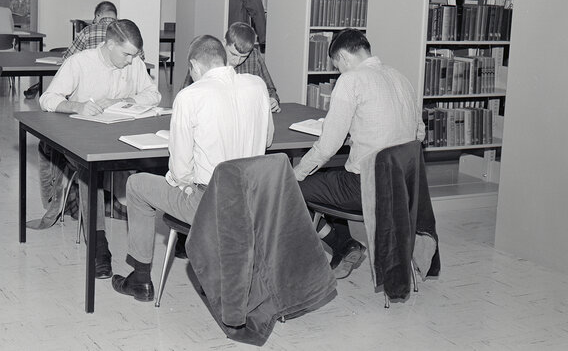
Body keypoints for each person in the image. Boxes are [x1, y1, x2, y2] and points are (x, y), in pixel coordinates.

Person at [111, 35, 274, 302]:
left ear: (194, 66)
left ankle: (140, 279)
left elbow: (180, 168)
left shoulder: (190, 96)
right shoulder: (256, 86)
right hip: (253, 200)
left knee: (137, 185)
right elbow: (267, 141)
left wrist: (183, 183)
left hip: (209, 203)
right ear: (222, 59)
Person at [29, 19, 161, 280]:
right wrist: (77, 107)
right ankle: (99, 248)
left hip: (118, 136)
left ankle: (177, 238)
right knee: (90, 169)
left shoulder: (132, 62)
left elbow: (153, 95)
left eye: (135, 55)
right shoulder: (79, 63)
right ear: (110, 45)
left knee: (159, 162)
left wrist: (125, 100)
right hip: (79, 136)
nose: (131, 60)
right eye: (126, 54)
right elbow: (48, 99)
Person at [293, 29, 425, 279]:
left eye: (337, 67)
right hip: (403, 187)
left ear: (343, 57)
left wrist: (295, 173)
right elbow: (419, 133)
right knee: (333, 177)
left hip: (365, 188)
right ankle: (345, 245)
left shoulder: (351, 80)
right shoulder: (400, 78)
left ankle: (342, 243)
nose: (338, 73)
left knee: (290, 186)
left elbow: (328, 147)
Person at [23, 1, 118, 99]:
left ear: (98, 16)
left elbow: (68, 58)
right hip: (113, 89)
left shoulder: (88, 30)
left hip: (87, 88)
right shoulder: (121, 33)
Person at [182, 22, 281, 113]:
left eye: (243, 57)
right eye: (233, 54)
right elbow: (185, 93)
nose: (237, 61)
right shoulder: (207, 57)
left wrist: (273, 99)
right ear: (224, 43)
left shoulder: (254, 56)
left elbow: (270, 89)